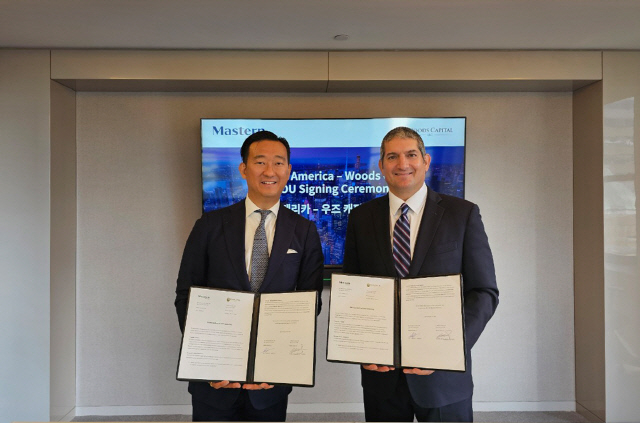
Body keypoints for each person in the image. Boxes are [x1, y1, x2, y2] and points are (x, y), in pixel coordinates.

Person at [342, 127, 499, 422]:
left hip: (443, 378)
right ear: (382, 166)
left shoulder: (462, 214)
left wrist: (448, 348)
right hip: (382, 376)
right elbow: (352, 290)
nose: (402, 164)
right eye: (392, 156)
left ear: (426, 161)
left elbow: (484, 292)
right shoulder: (361, 218)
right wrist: (361, 347)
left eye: (411, 154)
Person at [175, 130, 324, 422]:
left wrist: (278, 363)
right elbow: (186, 295)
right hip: (214, 380)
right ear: (243, 169)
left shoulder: (304, 231)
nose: (270, 171)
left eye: (279, 163)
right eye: (260, 162)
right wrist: (208, 361)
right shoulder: (209, 225)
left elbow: (310, 303)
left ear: (289, 170)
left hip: (270, 381)